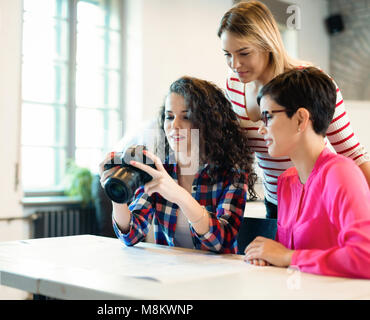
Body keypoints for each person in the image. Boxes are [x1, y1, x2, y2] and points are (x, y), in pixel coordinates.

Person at [218, 1, 370, 219]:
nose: (235, 64)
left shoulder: (308, 82)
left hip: (316, 201)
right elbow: (239, 154)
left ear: (267, 44)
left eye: (244, 53)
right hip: (276, 203)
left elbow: (352, 152)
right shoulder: (234, 86)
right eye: (227, 54)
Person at [98, 76, 256, 253]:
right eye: (169, 116)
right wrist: (117, 194)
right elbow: (131, 235)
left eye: (186, 117)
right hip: (171, 273)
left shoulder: (232, 173)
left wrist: (180, 196)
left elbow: (221, 242)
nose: (174, 125)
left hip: (216, 275)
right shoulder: (160, 167)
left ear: (208, 122)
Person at [244, 67, 370, 279]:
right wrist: (267, 255)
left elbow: (365, 257)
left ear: (301, 119)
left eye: (268, 117)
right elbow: (285, 256)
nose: (261, 129)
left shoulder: (340, 174)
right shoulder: (286, 181)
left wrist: (287, 257)